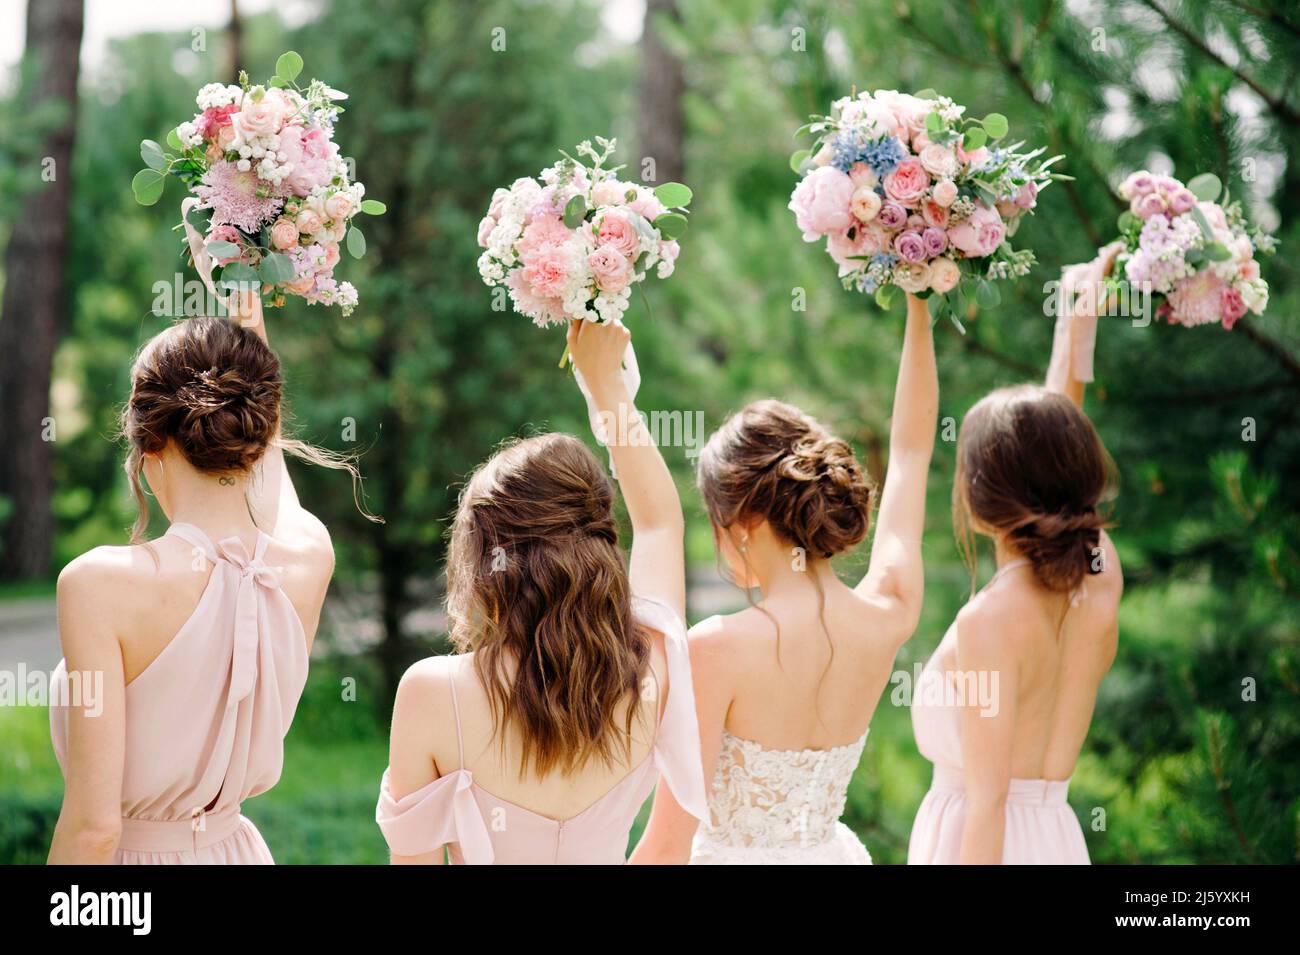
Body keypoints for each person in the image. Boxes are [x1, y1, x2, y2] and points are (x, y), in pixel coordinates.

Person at [376, 320, 707, 864]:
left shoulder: (433, 693)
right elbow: (661, 523)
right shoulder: (654, 666)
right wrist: (607, 385)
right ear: (600, 538)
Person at [47, 274, 350, 863]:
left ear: (148, 443)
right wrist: (257, 345)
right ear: (260, 433)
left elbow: (93, 829)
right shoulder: (309, 556)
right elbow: (271, 481)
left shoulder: (97, 585)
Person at [631, 291, 937, 864]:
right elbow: (912, 453)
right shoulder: (890, 610)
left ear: (740, 522)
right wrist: (919, 309)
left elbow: (665, 849)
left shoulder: (717, 647)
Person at [907, 245, 1124, 864]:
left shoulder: (989, 622)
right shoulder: (1099, 567)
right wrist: (1074, 325)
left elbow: (988, 803)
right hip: (1054, 840)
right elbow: (1055, 453)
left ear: (981, 501)